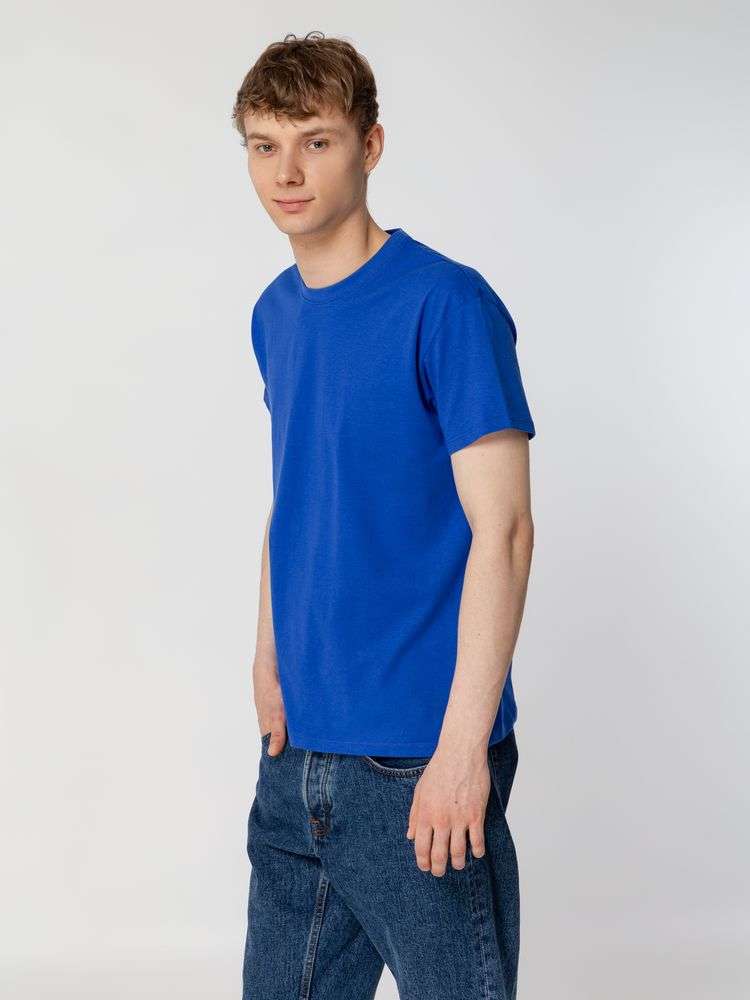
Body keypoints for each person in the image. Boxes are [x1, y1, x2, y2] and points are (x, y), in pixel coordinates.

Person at [232, 31, 536, 1000]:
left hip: (417, 761)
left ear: (369, 145)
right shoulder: (274, 313)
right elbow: (299, 491)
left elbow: (505, 531)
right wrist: (268, 653)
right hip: (297, 760)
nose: (286, 171)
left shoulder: (447, 304)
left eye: (315, 142)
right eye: (265, 145)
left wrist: (462, 751)